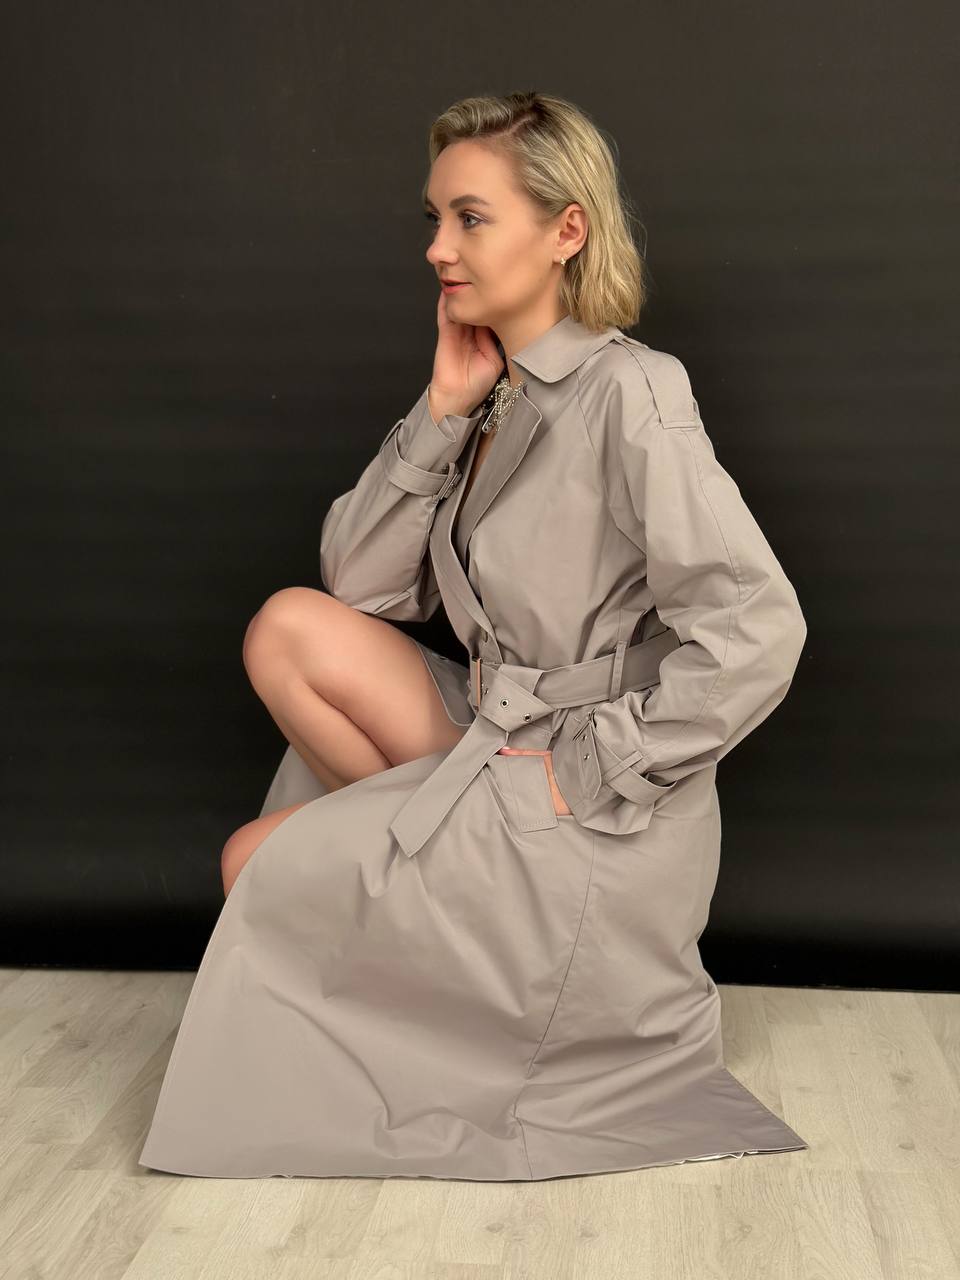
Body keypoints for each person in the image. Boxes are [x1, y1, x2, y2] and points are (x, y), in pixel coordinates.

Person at [139, 90, 809, 1181]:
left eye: (470, 218)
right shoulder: (497, 389)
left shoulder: (633, 392)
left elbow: (757, 629)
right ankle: (425, 889)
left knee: (253, 863)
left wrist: (589, 771)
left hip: (583, 796)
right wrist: (445, 408)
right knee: (289, 630)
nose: (438, 249)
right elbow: (360, 586)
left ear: (566, 230)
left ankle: (424, 897)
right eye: (435, 219)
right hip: (494, 738)